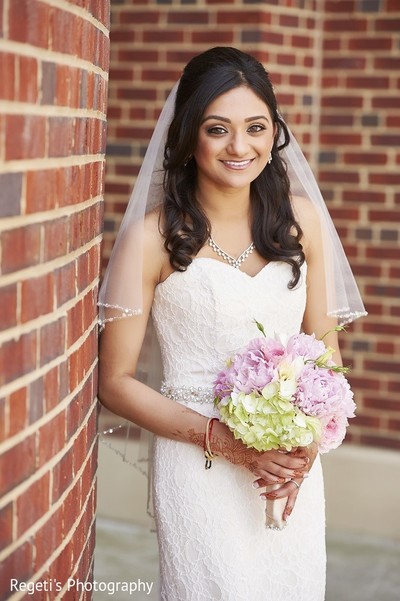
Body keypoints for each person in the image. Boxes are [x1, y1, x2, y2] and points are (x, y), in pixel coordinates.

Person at [98, 47, 366, 601]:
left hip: (287, 469)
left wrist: (306, 446)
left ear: (274, 134)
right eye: (218, 129)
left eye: (256, 127)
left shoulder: (302, 223)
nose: (239, 146)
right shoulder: (152, 238)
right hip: (197, 463)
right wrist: (231, 443)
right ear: (189, 137)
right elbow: (115, 382)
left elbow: (324, 355)